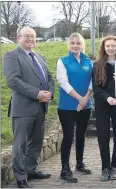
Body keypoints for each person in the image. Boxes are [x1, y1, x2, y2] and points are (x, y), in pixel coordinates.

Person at [3, 26, 55, 188]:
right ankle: (20, 177)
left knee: (36, 141)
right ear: (18, 38)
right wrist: (37, 93)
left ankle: (30, 170)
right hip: (23, 108)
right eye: (27, 36)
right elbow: (13, 81)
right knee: (20, 144)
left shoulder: (39, 57)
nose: (31, 39)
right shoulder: (11, 55)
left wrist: (49, 94)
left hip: (41, 107)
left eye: (33, 36)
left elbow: (50, 78)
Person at [56, 33, 93, 183]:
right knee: (69, 136)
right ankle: (65, 169)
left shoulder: (89, 61)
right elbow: (63, 82)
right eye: (72, 43)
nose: (75, 46)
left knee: (81, 135)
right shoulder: (62, 61)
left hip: (86, 105)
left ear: (82, 44)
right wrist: (80, 99)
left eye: (78, 43)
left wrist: (86, 99)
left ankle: (80, 163)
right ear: (69, 45)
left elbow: (93, 81)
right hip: (67, 106)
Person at [92, 35, 116, 181]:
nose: (111, 48)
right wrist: (108, 98)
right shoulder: (97, 65)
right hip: (102, 104)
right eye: (108, 46)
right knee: (103, 136)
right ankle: (105, 167)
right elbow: (96, 89)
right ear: (104, 48)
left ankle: (114, 167)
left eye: (113, 46)